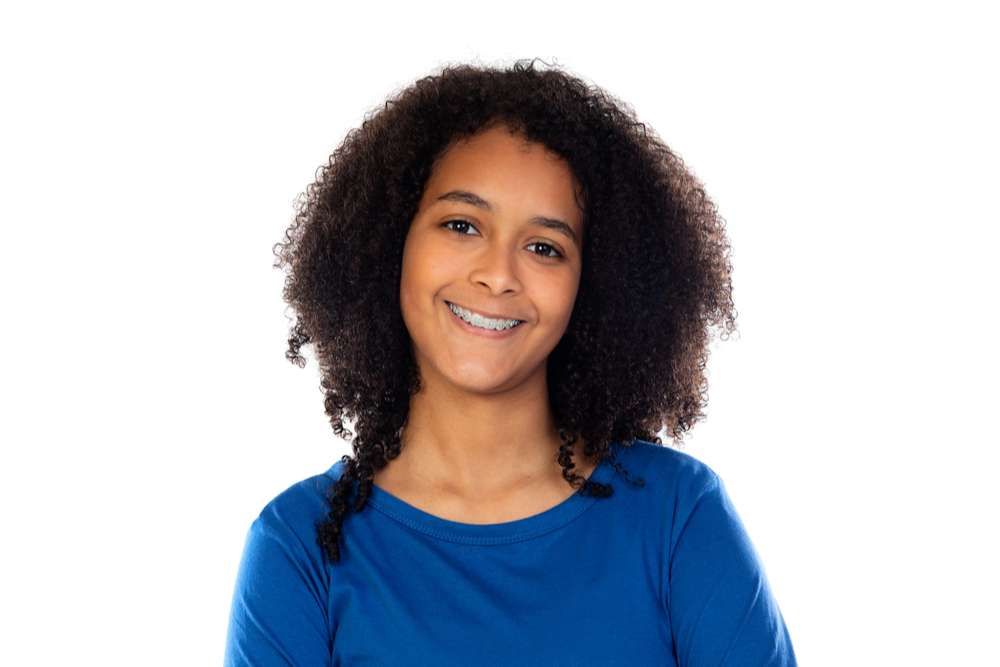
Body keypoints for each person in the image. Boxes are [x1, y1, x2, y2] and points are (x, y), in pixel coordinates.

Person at [224, 58, 797, 666]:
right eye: (462, 224)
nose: (497, 275)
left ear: (594, 284)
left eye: (545, 247)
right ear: (392, 242)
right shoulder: (300, 546)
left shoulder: (678, 516)